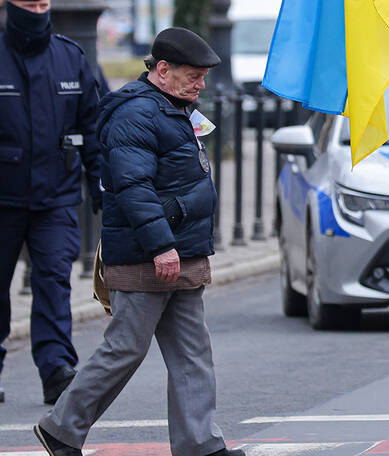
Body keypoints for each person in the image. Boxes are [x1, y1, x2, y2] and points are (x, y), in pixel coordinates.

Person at [34, 27, 243, 456]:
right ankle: (61, 429)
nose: (201, 85)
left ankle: (200, 444)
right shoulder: (136, 114)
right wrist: (161, 245)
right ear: (163, 70)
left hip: (178, 253)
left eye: (203, 77)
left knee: (192, 354)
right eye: (194, 76)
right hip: (150, 256)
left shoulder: (173, 107)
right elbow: (132, 187)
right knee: (125, 349)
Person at [0, 0, 101, 406]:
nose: (39, 15)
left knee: (55, 281)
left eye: (45, 8)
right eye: (30, 9)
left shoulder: (70, 58)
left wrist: (102, 187)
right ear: (11, 9)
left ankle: (57, 368)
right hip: (2, 198)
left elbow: (94, 128)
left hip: (56, 197)